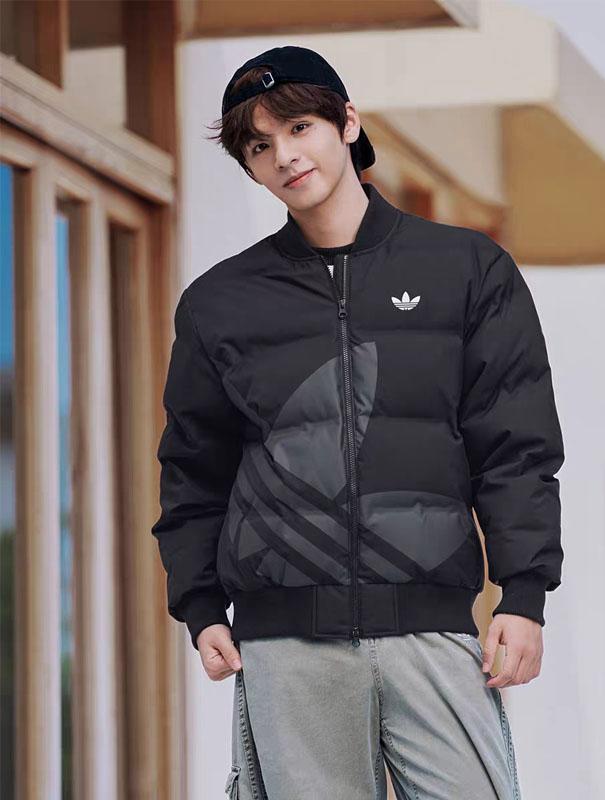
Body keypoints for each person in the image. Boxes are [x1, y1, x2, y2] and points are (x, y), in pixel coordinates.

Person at [152, 45, 565, 800]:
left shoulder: (466, 270)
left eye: (299, 127)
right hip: (286, 643)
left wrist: (523, 594)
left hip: (432, 628)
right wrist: (201, 604)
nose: (284, 156)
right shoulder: (220, 303)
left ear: (347, 123)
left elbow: (515, 447)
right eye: (259, 146)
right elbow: (194, 468)